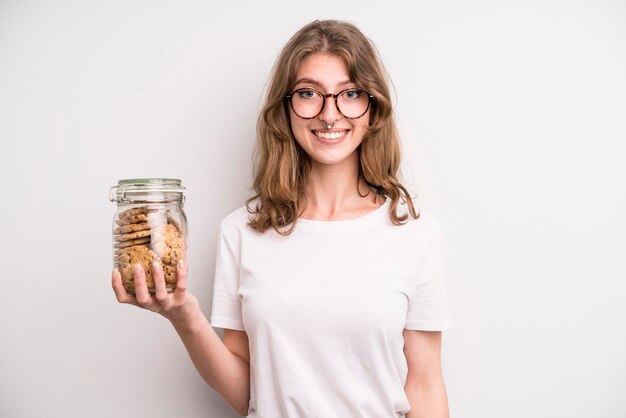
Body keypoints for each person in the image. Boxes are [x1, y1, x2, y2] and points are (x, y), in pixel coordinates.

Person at [112, 19, 452, 418]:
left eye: (350, 94)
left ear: (372, 107)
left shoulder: (415, 233)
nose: (330, 114)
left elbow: (425, 386)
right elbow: (248, 395)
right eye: (309, 93)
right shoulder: (241, 232)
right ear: (285, 107)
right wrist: (185, 316)